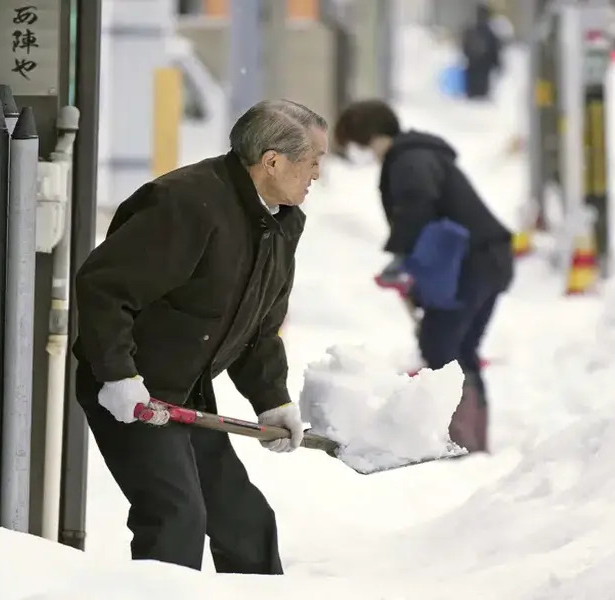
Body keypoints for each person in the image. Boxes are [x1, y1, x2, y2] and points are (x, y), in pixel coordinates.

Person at [72, 99, 328, 573]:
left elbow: (259, 324)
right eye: (313, 160)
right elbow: (105, 286)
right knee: (175, 518)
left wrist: (272, 398)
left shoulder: (280, 221)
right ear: (272, 160)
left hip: (186, 391)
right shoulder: (185, 202)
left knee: (245, 523)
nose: (317, 172)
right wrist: (118, 375)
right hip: (134, 391)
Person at [333, 99, 513, 454]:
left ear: (369, 137)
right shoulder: (416, 155)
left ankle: (461, 442)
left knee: (441, 345)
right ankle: (471, 441)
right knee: (459, 348)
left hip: (471, 263)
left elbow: (417, 203)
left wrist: (400, 257)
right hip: (486, 259)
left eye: (358, 144)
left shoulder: (409, 159)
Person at [460, 2, 503, 100]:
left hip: (473, 69)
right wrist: (497, 63)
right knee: (481, 99)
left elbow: (464, 48)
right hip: (484, 70)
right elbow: (495, 51)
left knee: (473, 99)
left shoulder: (470, 30)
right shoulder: (490, 33)